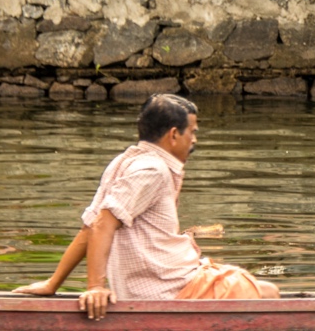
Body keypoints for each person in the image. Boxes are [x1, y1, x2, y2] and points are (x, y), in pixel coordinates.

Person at [15, 93, 279, 318]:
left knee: (253, 286)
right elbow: (102, 225)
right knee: (269, 293)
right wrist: (95, 287)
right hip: (166, 289)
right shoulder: (153, 170)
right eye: (193, 132)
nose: (195, 140)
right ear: (174, 135)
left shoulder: (124, 162)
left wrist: (53, 284)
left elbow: (89, 229)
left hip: (162, 280)